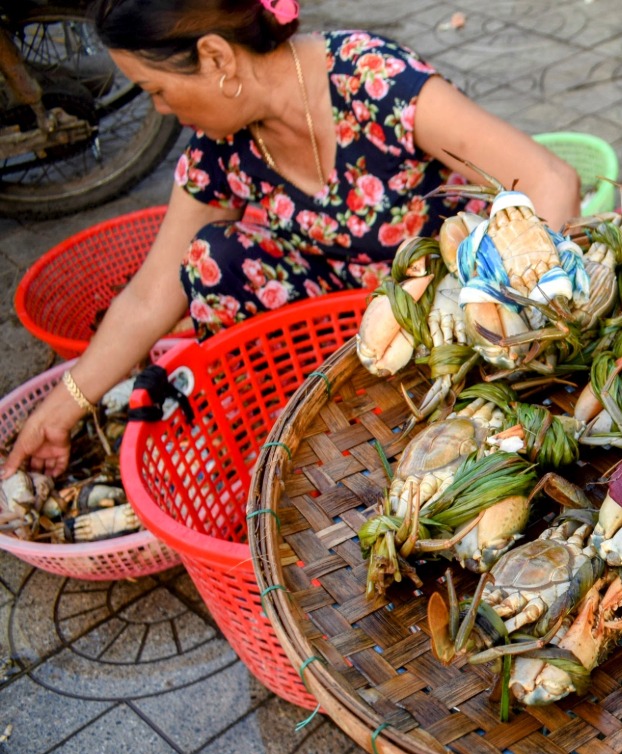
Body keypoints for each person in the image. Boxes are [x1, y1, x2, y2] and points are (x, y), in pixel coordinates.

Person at [3, 0, 580, 478]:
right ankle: (303, 438)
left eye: (156, 89)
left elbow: (548, 180)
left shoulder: (372, 80)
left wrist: (513, 332)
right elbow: (151, 295)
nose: (161, 110)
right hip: (333, 336)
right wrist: (59, 412)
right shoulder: (221, 149)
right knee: (213, 259)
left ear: (215, 56)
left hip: (443, 321)